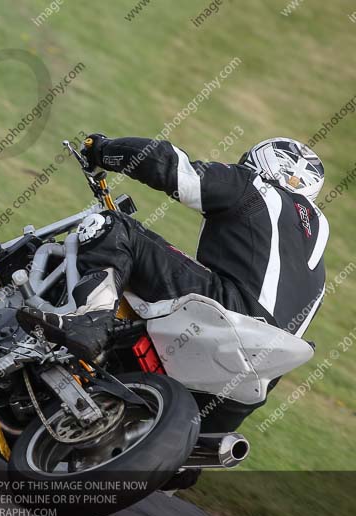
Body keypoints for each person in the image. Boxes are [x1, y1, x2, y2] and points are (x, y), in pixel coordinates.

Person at [17, 134, 328, 431]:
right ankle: (187, 450)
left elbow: (172, 167)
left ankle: (89, 320)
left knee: (113, 225)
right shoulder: (319, 269)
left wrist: (103, 150)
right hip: (255, 371)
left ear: (258, 163)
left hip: (225, 310)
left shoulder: (255, 186)